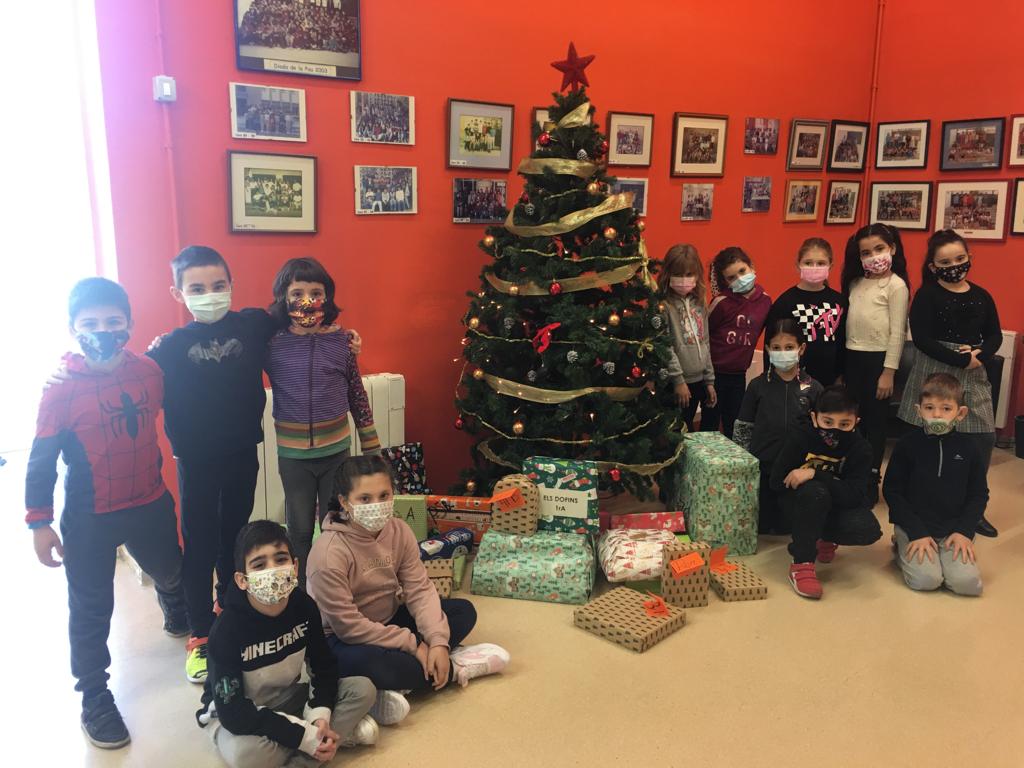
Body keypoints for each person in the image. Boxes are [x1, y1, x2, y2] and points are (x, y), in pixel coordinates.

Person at [26, 277, 187, 749]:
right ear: (73, 328)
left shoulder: (150, 372)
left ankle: (174, 603)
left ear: (130, 324)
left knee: (172, 571)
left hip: (149, 500)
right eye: (90, 323)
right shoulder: (59, 390)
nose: (103, 331)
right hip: (89, 516)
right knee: (91, 607)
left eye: (113, 322)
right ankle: (94, 694)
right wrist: (39, 521)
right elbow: (41, 459)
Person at [307, 455, 509, 725]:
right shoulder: (328, 553)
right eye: (365, 499)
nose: (376, 505)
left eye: (384, 495)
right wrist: (413, 645)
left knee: (463, 611)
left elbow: (420, 589)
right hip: (341, 640)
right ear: (344, 502)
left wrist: (437, 642)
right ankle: (452, 668)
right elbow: (348, 627)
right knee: (382, 665)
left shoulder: (399, 531)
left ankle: (400, 681)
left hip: (387, 620)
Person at [197, 521, 378, 768]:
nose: (272, 570)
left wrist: (320, 715)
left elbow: (323, 667)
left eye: (280, 559)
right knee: (247, 757)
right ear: (242, 580)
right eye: (259, 565)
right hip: (237, 714)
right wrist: (302, 736)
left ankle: (317, 744)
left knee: (363, 689)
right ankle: (339, 736)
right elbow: (233, 712)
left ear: (295, 566)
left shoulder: (304, 606)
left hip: (288, 699)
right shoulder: (225, 631)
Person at [266, 257, 379, 589]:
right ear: (283, 297)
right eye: (297, 293)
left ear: (327, 297)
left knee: (336, 527)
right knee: (299, 530)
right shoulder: (272, 345)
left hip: (336, 454)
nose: (307, 301)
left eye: (316, 293)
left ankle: (335, 588)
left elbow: (356, 394)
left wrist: (372, 447)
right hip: (294, 458)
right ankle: (303, 594)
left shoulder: (342, 342)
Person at [896, 230, 1001, 538]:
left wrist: (980, 354)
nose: (954, 266)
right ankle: (918, 506)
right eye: (945, 262)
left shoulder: (982, 295)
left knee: (983, 437)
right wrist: (958, 360)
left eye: (959, 258)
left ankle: (973, 509)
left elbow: (994, 334)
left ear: (969, 258)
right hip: (935, 367)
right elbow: (922, 338)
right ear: (933, 266)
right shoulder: (926, 295)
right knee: (925, 438)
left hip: (973, 369)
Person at [770, 386, 883, 599]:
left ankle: (823, 536)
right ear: (815, 418)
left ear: (856, 422)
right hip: (799, 502)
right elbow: (776, 481)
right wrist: (810, 483)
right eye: (828, 422)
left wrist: (815, 474)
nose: (835, 429)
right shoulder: (801, 437)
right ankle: (802, 563)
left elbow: (856, 495)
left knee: (867, 529)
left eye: (844, 424)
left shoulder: (861, 448)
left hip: (835, 502)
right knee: (815, 493)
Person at [884, 374, 986, 596]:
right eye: (929, 408)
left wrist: (964, 531)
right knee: (926, 581)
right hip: (914, 527)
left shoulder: (970, 448)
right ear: (919, 410)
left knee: (967, 584)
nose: (937, 414)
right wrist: (916, 531)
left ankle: (943, 557)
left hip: (953, 529)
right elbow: (892, 492)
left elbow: (979, 494)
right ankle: (901, 547)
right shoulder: (906, 445)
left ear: (960, 413)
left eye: (946, 408)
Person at [840, 224, 910, 503]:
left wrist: (888, 372)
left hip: (879, 361)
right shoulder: (855, 283)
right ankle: (850, 473)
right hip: (852, 358)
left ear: (892, 248)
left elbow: (898, 333)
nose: (873, 256)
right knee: (852, 419)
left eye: (879, 249)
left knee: (875, 423)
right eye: (866, 252)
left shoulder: (896, 285)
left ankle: (870, 478)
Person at [735, 318, 823, 535]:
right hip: (762, 468)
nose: (783, 353)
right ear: (767, 349)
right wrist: (743, 467)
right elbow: (743, 429)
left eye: (789, 347)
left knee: (791, 524)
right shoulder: (757, 386)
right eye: (776, 348)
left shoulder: (814, 388)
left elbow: (822, 433)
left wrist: (813, 466)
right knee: (762, 525)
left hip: (796, 471)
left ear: (801, 349)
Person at [701, 246, 772, 438]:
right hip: (714, 375)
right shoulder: (721, 302)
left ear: (751, 267)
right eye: (731, 277)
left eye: (742, 271)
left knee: (735, 423)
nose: (739, 279)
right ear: (724, 281)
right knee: (710, 422)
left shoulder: (765, 302)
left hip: (739, 374)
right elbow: (704, 334)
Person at [763, 237, 847, 386]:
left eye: (821, 263)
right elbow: (771, 343)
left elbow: (842, 341)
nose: (814, 267)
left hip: (829, 379)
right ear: (798, 265)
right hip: (792, 379)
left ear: (830, 266)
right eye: (808, 263)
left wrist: (842, 375)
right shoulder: (785, 302)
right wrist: (770, 379)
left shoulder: (839, 301)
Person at [659, 243, 717, 432]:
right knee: (679, 430)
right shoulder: (663, 306)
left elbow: (705, 341)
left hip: (698, 380)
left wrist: (709, 381)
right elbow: (665, 346)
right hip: (677, 383)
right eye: (678, 274)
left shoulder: (699, 303)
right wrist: (678, 380)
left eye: (689, 274)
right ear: (668, 274)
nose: (684, 280)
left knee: (690, 428)